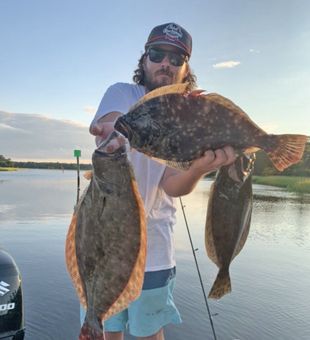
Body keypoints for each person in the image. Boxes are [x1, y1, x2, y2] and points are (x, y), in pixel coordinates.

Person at [86, 23, 236, 340]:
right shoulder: (122, 93)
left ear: (185, 68)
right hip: (104, 245)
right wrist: (113, 131)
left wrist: (198, 169)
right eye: (157, 54)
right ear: (145, 60)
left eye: (175, 57)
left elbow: (171, 185)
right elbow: (109, 123)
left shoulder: (187, 117)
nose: (165, 63)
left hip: (155, 252)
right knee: (107, 329)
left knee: (149, 334)